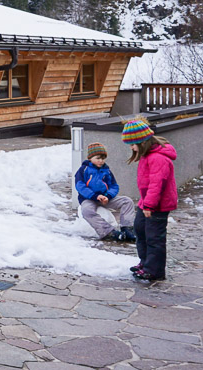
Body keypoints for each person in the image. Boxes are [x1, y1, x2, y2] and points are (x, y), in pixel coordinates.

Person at [122, 119, 177, 281]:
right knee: (140, 231)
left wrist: (149, 205)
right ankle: (145, 263)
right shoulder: (147, 155)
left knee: (154, 238)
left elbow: (156, 185)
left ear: (143, 141)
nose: (132, 148)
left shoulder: (158, 158)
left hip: (157, 206)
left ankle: (155, 270)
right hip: (146, 203)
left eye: (133, 144)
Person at [74, 142, 136, 242]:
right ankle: (107, 232)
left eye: (103, 158)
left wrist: (108, 195)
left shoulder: (106, 170)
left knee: (127, 201)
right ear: (90, 158)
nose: (101, 161)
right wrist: (94, 196)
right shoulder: (83, 170)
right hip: (89, 199)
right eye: (98, 158)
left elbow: (114, 186)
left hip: (105, 198)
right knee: (86, 211)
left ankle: (127, 228)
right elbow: (80, 186)